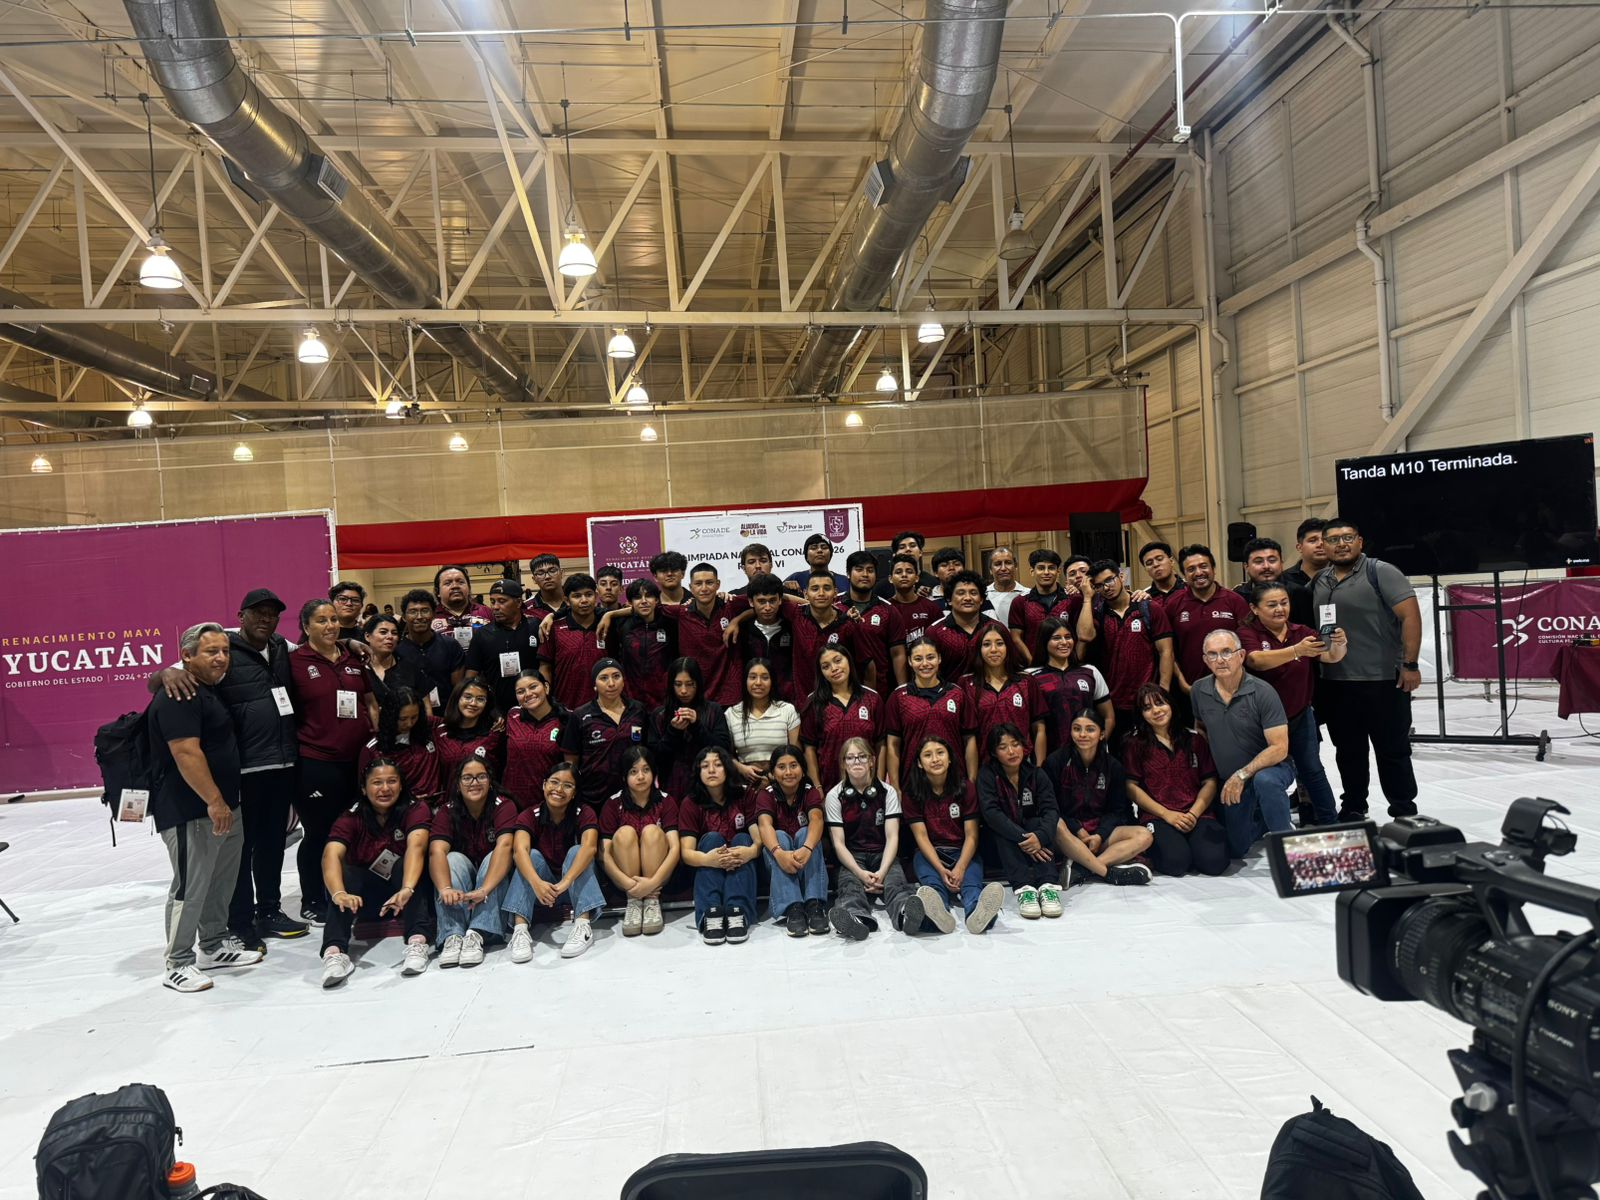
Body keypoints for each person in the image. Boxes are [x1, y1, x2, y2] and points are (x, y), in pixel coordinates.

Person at [148, 587, 308, 947]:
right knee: (238, 852)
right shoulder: (223, 648)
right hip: (244, 771)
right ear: (241, 617)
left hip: (281, 764)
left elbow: (317, 649)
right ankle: (239, 921)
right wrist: (163, 674)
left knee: (271, 843)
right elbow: (164, 676)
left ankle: (269, 909)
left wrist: (355, 645)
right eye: (258, 613)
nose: (265, 619)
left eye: (272, 613)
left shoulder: (282, 646)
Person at [150, 622, 259, 992]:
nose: (221, 657)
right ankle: (177, 962)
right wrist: (214, 801)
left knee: (219, 881)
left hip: (224, 804)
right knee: (190, 885)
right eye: (211, 651)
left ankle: (212, 945)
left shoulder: (207, 689)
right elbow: (184, 751)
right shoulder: (178, 692)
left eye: (225, 650)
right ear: (187, 656)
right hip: (190, 809)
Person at [1312, 518, 1422, 820]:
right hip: (1336, 684)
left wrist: (1409, 665)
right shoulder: (1320, 580)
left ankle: (1403, 810)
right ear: (1324, 546)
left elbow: (1410, 617)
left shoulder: (1381, 572)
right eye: (1332, 539)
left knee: (1393, 751)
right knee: (1348, 752)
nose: (1341, 544)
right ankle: (1354, 807)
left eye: (1347, 537)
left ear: (1360, 541)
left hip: (1383, 681)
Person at [289, 598, 378, 925]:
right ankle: (313, 898)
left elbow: (369, 702)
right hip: (315, 763)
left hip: (357, 762)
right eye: (321, 621)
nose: (329, 626)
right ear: (306, 626)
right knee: (319, 833)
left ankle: (350, 891)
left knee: (355, 830)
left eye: (333, 620)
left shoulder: (353, 658)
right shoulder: (294, 662)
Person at [318, 758, 434, 987]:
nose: (385, 788)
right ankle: (334, 952)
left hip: (405, 893)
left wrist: (407, 888)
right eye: (377, 782)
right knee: (345, 875)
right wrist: (339, 892)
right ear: (364, 788)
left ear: (401, 785)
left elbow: (417, 847)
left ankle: (417, 940)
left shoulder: (415, 808)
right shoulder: (352, 816)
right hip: (368, 898)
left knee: (407, 865)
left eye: (392, 781)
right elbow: (330, 854)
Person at [1244, 581, 1345, 826]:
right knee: (1262, 773)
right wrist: (1296, 651)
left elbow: (1330, 656)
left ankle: (1330, 821)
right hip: (1261, 722)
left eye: (1284, 602)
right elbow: (1256, 661)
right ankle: (1261, 823)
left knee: (1312, 770)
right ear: (1255, 609)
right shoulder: (1247, 634)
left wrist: (1340, 644)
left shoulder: (1303, 632)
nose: (1280, 609)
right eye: (1272, 604)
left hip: (1300, 715)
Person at [1188, 629, 1294, 858]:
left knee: (1266, 782)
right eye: (1213, 654)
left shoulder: (1264, 692)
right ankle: (1264, 820)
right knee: (1236, 848)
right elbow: (1201, 728)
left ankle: (1286, 844)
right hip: (1230, 778)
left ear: (1241, 655)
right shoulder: (1199, 690)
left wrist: (1242, 775)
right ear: (1205, 660)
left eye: (1227, 652)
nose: (1220, 660)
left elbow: (1279, 748)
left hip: (1272, 769)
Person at [1122, 684, 1229, 877]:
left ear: (1170, 704)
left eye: (1160, 703)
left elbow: (1210, 781)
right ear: (1141, 715)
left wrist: (1194, 814)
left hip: (1197, 813)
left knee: (1214, 863)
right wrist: (1167, 814)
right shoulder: (1134, 744)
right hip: (1158, 816)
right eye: (1147, 708)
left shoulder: (1195, 739)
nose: (1156, 711)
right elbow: (1131, 787)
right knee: (1176, 863)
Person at [900, 737, 1003, 935]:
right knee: (933, 888)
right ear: (920, 764)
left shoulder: (966, 788)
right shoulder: (912, 793)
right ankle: (938, 916)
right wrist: (940, 869)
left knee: (972, 887)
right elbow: (921, 837)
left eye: (940, 753)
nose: (935, 759)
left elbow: (972, 835)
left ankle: (978, 914)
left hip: (963, 852)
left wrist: (960, 868)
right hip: (930, 854)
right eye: (928, 755)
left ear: (949, 759)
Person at [503, 762, 604, 962]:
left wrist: (566, 881)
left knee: (578, 851)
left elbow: (590, 847)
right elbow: (518, 850)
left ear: (574, 792)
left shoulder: (584, 812)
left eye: (567, 785)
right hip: (543, 888)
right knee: (530, 856)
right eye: (554, 782)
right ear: (544, 785)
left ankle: (583, 926)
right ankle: (520, 930)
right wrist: (536, 883)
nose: (559, 789)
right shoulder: (530, 814)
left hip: (574, 885)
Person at [1043, 709, 1154, 886]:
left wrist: (1100, 836)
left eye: (1090, 729)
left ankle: (1082, 870)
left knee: (1145, 835)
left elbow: (1116, 811)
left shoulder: (1113, 766)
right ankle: (1106, 872)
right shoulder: (1055, 762)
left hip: (1099, 833)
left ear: (1102, 734)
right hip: (1068, 835)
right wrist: (1077, 830)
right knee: (1055, 824)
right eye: (1077, 729)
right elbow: (1050, 807)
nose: (1082, 734)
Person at [428, 757, 517, 967]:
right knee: (452, 858)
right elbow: (436, 851)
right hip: (464, 878)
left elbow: (505, 846)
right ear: (458, 784)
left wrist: (485, 889)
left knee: (492, 856)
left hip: (492, 878)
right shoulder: (447, 810)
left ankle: (479, 932)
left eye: (481, 777)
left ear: (490, 781)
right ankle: (453, 935)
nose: (474, 783)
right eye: (467, 777)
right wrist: (445, 888)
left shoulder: (503, 805)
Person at [825, 737, 913, 940]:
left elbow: (892, 837)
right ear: (843, 763)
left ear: (872, 761)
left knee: (896, 884)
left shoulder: (888, 792)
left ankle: (906, 914)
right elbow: (838, 843)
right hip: (852, 856)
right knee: (850, 887)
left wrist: (881, 872)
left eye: (862, 757)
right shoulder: (834, 795)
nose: (856, 762)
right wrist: (860, 873)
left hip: (883, 854)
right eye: (851, 758)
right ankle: (856, 919)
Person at [975, 724, 1064, 919]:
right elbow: (991, 814)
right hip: (999, 847)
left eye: (1015, 744)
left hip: (1034, 843)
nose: (1011, 751)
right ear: (993, 752)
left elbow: (1051, 810)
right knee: (1001, 828)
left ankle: (1047, 886)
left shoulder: (1036, 774)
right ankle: (1024, 889)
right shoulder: (987, 776)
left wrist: (1039, 837)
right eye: (1003, 747)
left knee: (1037, 823)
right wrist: (1025, 839)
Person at [676, 746, 759, 945]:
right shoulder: (691, 802)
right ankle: (710, 913)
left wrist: (750, 852)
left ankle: (737, 911)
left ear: (728, 768)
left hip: (741, 861)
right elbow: (686, 853)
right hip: (709, 862)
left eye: (718, 765)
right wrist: (709, 859)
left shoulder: (744, 795)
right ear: (698, 771)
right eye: (705, 766)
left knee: (742, 839)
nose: (712, 770)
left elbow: (759, 841)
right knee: (711, 838)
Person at [597, 747, 680, 937]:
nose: (640, 776)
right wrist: (630, 886)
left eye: (646, 770)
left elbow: (675, 848)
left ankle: (651, 902)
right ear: (624, 776)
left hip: (659, 878)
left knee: (651, 831)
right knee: (625, 833)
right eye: (633, 771)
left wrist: (652, 884)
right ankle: (634, 903)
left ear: (654, 772)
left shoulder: (666, 801)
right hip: (625, 881)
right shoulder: (612, 804)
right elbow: (604, 855)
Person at [1087, 560, 1174, 736]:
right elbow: (1084, 636)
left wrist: (1163, 693)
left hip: (1147, 700)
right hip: (1113, 703)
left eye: (1109, 580)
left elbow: (1166, 651)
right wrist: (1087, 598)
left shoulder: (1148, 608)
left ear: (1121, 576)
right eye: (1099, 585)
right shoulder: (1097, 614)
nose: (1106, 588)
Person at [753, 745, 830, 936]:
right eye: (781, 767)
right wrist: (779, 853)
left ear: (803, 769)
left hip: (806, 857)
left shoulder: (809, 791)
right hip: (778, 859)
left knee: (807, 833)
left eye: (794, 765)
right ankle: (793, 908)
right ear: (772, 772)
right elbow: (764, 826)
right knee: (778, 836)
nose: (788, 772)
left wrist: (807, 847)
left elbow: (816, 819)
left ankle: (814, 904)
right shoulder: (766, 794)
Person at [884, 636, 978, 787]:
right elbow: (893, 745)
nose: (925, 664)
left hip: (955, 781)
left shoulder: (957, 694)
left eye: (930, 657)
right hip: (913, 783)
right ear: (909, 661)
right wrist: (895, 787)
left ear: (939, 658)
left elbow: (969, 740)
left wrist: (972, 781)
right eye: (918, 659)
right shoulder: (898, 697)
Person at [1164, 544, 1252, 699]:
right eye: (1191, 569)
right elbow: (1168, 650)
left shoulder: (1235, 601)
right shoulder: (1173, 604)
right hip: (1190, 690)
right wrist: (1183, 683)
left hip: (1233, 690)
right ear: (1184, 574)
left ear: (1213, 569)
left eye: (1203, 566)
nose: (1198, 573)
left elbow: (1248, 645)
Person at [562, 657, 650, 808]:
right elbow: (571, 762)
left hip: (632, 794)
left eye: (616, 676)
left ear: (623, 681)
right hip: (593, 797)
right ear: (594, 685)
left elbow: (647, 750)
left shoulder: (638, 710)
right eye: (603, 678)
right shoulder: (580, 715)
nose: (611, 683)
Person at [800, 645, 883, 792]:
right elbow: (809, 749)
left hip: (869, 785)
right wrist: (817, 787)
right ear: (821, 673)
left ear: (849, 661)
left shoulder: (872, 698)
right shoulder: (814, 703)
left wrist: (879, 781)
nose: (834, 668)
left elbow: (881, 744)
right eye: (826, 666)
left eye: (838, 661)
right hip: (830, 785)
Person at [962, 620, 1046, 762]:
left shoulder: (1026, 681)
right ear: (978, 649)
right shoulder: (967, 684)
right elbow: (969, 737)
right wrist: (974, 779)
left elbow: (1039, 728)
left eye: (1000, 643)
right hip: (986, 767)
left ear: (1008, 647)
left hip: (1023, 764)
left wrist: (1038, 768)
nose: (994, 649)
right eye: (986, 644)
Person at [649, 656, 733, 799]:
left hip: (709, 789)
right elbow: (653, 759)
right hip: (670, 787)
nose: (683, 690)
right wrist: (673, 732)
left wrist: (697, 726)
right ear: (671, 685)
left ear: (698, 684)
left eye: (689, 684)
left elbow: (724, 750)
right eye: (678, 684)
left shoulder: (713, 710)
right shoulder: (660, 715)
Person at [1029, 617, 1113, 754]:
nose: (1064, 642)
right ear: (1044, 642)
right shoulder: (1031, 677)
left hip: (1089, 756)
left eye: (1068, 637)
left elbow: (1108, 716)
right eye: (1056, 638)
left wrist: (1098, 745)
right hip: (1051, 756)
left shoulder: (1090, 671)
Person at [463, 578, 542, 715]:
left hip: (534, 705)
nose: (495, 607)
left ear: (518, 602)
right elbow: (471, 677)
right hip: (496, 711)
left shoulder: (535, 627)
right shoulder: (482, 635)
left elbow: (546, 666)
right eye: (493, 601)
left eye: (502, 601)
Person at [669, 562, 744, 705]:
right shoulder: (681, 613)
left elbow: (766, 600)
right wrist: (611, 615)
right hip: (696, 698)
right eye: (698, 583)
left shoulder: (731, 605)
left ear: (718, 584)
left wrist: (738, 619)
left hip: (732, 698)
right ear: (690, 587)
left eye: (709, 583)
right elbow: (646, 608)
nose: (704, 588)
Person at [357, 686, 442, 805]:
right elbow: (366, 792)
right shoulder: (374, 749)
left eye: (414, 717)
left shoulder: (430, 728)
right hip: (400, 812)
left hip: (437, 806)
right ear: (390, 716)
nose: (409, 723)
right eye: (403, 719)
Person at [605, 577, 677, 711]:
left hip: (664, 700)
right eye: (638, 597)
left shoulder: (670, 622)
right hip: (631, 701)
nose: (644, 601)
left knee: (663, 731)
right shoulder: (621, 625)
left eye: (649, 596)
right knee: (635, 732)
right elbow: (613, 657)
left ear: (656, 600)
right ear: (630, 602)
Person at [839, 550, 908, 692]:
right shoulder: (834, 605)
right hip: (838, 689)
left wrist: (903, 690)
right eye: (859, 569)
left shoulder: (889, 610)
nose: (865, 574)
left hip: (879, 690)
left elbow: (898, 654)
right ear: (848, 573)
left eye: (870, 570)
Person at [728, 658, 801, 785]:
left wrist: (774, 774)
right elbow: (724, 753)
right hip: (744, 781)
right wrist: (741, 769)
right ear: (745, 681)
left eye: (765, 678)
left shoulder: (787, 710)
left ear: (772, 681)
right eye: (752, 677)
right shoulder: (732, 713)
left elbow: (796, 752)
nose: (758, 682)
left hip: (782, 779)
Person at [539, 573, 605, 710]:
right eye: (577, 596)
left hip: (602, 709)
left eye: (589, 594)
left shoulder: (607, 626)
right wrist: (545, 699)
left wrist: (612, 614)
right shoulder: (553, 629)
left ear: (596, 596)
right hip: (565, 708)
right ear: (567, 601)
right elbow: (545, 667)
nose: (584, 600)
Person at [502, 670, 567, 811]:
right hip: (512, 802)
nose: (528, 694)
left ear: (546, 687)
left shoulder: (566, 720)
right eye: (520, 691)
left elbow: (570, 766)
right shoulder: (513, 715)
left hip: (550, 803)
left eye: (533, 687)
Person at [397, 587, 465, 711]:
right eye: (412, 611)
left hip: (447, 715)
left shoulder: (450, 645)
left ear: (433, 614)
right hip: (410, 719)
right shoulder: (396, 650)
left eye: (425, 611)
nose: (419, 616)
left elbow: (458, 689)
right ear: (404, 617)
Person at [733, 573, 795, 701]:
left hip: (786, 701)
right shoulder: (742, 630)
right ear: (751, 601)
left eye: (772, 600)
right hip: (751, 701)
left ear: (780, 600)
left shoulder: (793, 627)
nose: (767, 607)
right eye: (761, 601)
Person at [430, 677, 504, 779]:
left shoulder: (495, 732)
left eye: (480, 699)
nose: (473, 703)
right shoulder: (439, 730)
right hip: (449, 793)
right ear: (457, 698)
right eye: (468, 697)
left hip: (485, 793)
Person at [1008, 548, 1069, 662]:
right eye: (1041, 568)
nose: (1046, 572)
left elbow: (1080, 636)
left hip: (1067, 665)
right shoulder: (1020, 602)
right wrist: (1032, 662)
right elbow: (1016, 638)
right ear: (1032, 571)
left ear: (1058, 571)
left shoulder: (1071, 599)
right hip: (1034, 666)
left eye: (1051, 568)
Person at [1238, 537, 1314, 627]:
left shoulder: (1300, 593)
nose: (1266, 566)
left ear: (1281, 563)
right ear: (1246, 567)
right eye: (1258, 561)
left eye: (1272, 560)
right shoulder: (1237, 597)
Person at [926, 571, 988, 680]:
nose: (968, 598)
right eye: (961, 593)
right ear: (949, 600)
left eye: (973, 593)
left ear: (981, 599)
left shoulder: (995, 628)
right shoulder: (934, 632)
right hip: (948, 695)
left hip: (988, 695)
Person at [361, 613, 425, 709]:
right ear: (367, 636)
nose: (390, 637)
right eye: (383, 632)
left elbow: (426, 708)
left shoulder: (409, 669)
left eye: (394, 633)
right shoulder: (357, 667)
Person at [884, 553, 945, 644]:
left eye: (909, 571)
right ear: (890, 579)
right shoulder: (884, 610)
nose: (904, 575)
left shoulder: (932, 608)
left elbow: (942, 640)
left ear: (917, 578)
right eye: (898, 572)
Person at [432, 565, 492, 649]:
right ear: (437, 591)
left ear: (469, 588)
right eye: (447, 583)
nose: (455, 586)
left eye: (460, 582)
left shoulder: (487, 613)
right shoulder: (430, 618)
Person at [873, 531, 939, 599]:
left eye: (912, 546)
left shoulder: (933, 583)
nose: (908, 549)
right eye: (902, 547)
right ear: (894, 555)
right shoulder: (881, 587)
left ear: (920, 552)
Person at [783, 532, 849, 594]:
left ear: (830, 554)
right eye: (813, 548)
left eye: (824, 547)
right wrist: (784, 587)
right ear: (806, 557)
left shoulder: (844, 581)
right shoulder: (796, 578)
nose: (819, 550)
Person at [1283, 518, 1329, 590]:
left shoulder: (1343, 575)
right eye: (1313, 540)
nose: (1321, 544)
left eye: (1325, 539)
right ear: (1299, 547)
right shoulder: (1284, 579)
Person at [985, 546, 1022, 625]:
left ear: (1015, 566)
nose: (1003, 568)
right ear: (990, 570)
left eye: (1008, 563)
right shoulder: (982, 595)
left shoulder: (1028, 595)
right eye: (997, 564)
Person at [523, 554, 565, 620]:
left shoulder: (576, 601)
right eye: (540, 573)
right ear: (534, 579)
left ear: (561, 573)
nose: (547, 577)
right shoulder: (526, 608)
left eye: (552, 571)